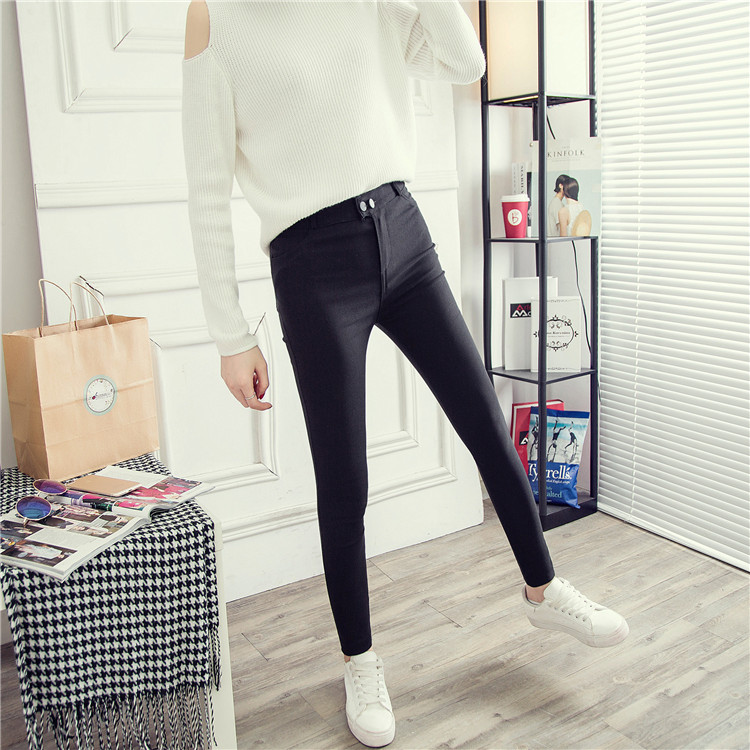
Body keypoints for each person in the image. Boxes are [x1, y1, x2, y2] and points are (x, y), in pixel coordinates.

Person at [181, 2, 628, 747]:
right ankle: (359, 662)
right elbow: (204, 190)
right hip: (312, 262)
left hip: (402, 229)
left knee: (483, 417)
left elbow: (467, 63)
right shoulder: (215, 19)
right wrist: (230, 335)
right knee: (344, 480)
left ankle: (544, 587)